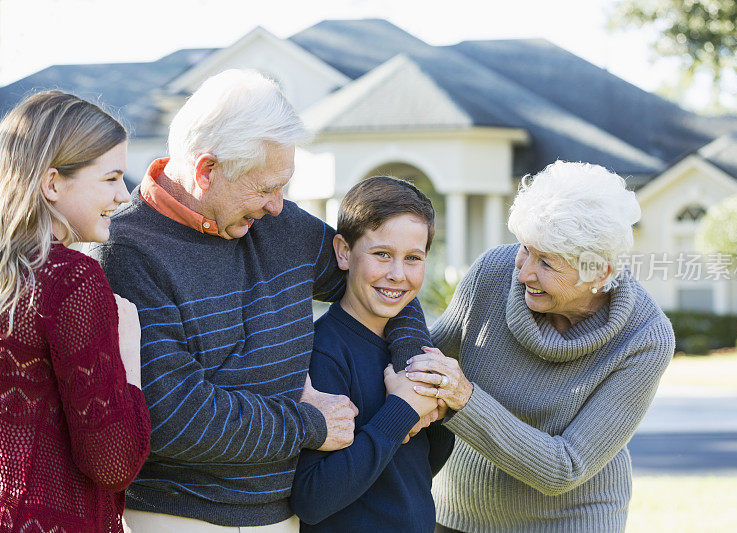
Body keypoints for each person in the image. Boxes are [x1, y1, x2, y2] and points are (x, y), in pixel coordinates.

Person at [85, 70, 431, 532]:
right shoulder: (128, 252)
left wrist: (413, 364)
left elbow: (384, 284)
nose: (277, 205)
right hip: (178, 517)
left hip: (283, 517)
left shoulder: (281, 227)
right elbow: (173, 415)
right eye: (265, 187)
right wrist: (308, 424)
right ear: (207, 170)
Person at [405, 161, 676, 532]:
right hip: (459, 513)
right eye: (525, 249)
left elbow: (566, 467)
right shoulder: (493, 272)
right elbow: (419, 359)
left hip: (573, 519)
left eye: (546, 262)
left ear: (600, 273)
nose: (524, 272)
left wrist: (465, 399)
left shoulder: (645, 337)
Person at [0, 91, 151, 532]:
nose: (125, 197)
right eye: (111, 179)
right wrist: (129, 348)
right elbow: (113, 461)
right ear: (52, 184)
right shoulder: (71, 279)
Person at [290, 176, 454, 532]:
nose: (397, 274)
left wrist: (441, 412)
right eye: (382, 254)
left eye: (413, 258)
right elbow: (312, 498)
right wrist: (402, 411)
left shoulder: (415, 353)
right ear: (344, 252)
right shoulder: (322, 352)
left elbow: (418, 466)